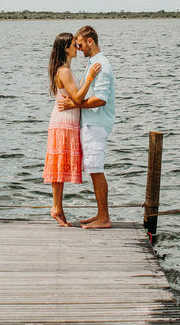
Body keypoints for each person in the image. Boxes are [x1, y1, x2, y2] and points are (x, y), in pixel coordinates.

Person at [43, 32, 102, 227]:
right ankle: (56, 207)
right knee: (58, 166)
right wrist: (90, 78)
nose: (77, 48)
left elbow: (74, 100)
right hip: (64, 121)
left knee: (59, 167)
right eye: (73, 45)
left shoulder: (64, 69)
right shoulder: (64, 71)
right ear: (66, 48)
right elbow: (77, 98)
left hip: (66, 120)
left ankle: (57, 208)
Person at [59, 24, 115, 229]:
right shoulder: (93, 63)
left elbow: (101, 99)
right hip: (90, 123)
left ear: (90, 41)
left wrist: (74, 104)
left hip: (96, 123)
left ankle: (104, 218)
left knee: (96, 169)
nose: (78, 48)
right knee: (93, 168)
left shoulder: (101, 64)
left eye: (80, 44)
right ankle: (100, 214)